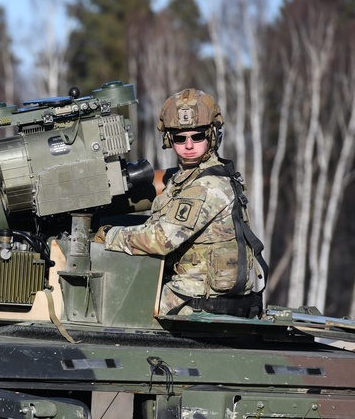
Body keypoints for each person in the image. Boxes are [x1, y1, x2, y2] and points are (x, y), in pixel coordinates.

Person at [97, 88, 267, 316]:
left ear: (212, 137)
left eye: (197, 136)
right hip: (196, 289)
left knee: (116, 309)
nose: (188, 145)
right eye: (180, 138)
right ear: (169, 140)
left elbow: (160, 240)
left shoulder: (206, 186)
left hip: (197, 296)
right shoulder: (188, 177)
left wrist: (110, 236)